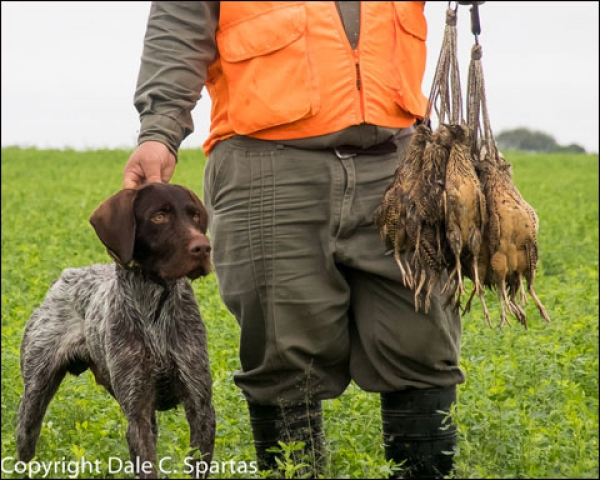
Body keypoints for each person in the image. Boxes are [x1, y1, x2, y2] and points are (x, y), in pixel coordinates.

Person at [124, 2, 482, 477]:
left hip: (401, 160)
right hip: (267, 163)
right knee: (284, 360)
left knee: (423, 349)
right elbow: (178, 27)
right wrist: (159, 132)